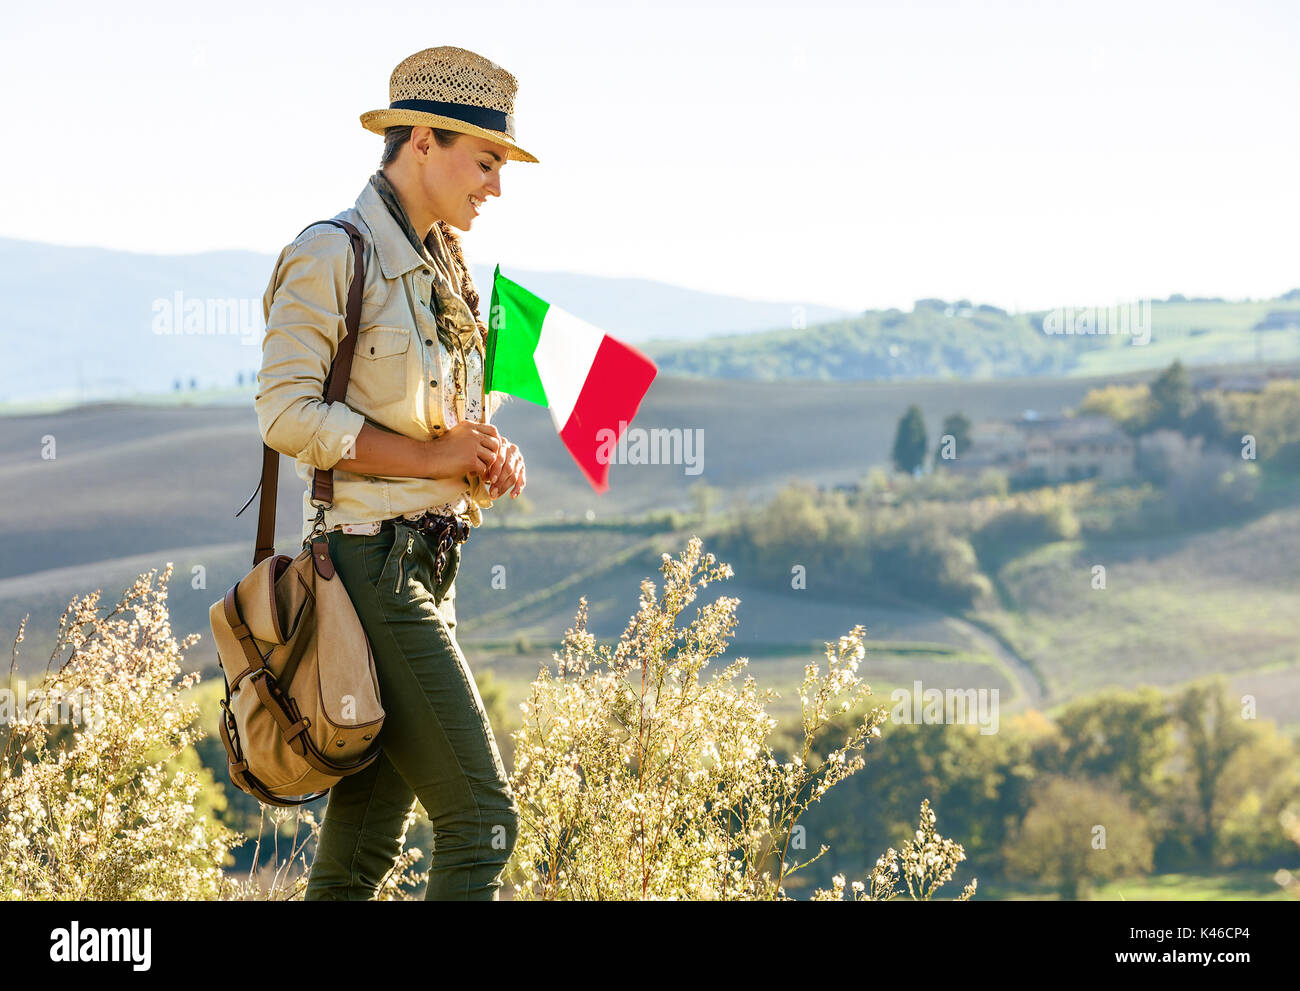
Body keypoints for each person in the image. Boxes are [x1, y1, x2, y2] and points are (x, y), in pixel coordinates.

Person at [253, 46, 539, 900]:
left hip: (425, 568)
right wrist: (428, 458)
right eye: (485, 161)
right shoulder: (332, 252)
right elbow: (285, 414)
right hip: (368, 572)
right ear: (421, 140)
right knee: (484, 822)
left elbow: (436, 437)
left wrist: (477, 461)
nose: (495, 185)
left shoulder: (448, 277)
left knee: (356, 859)